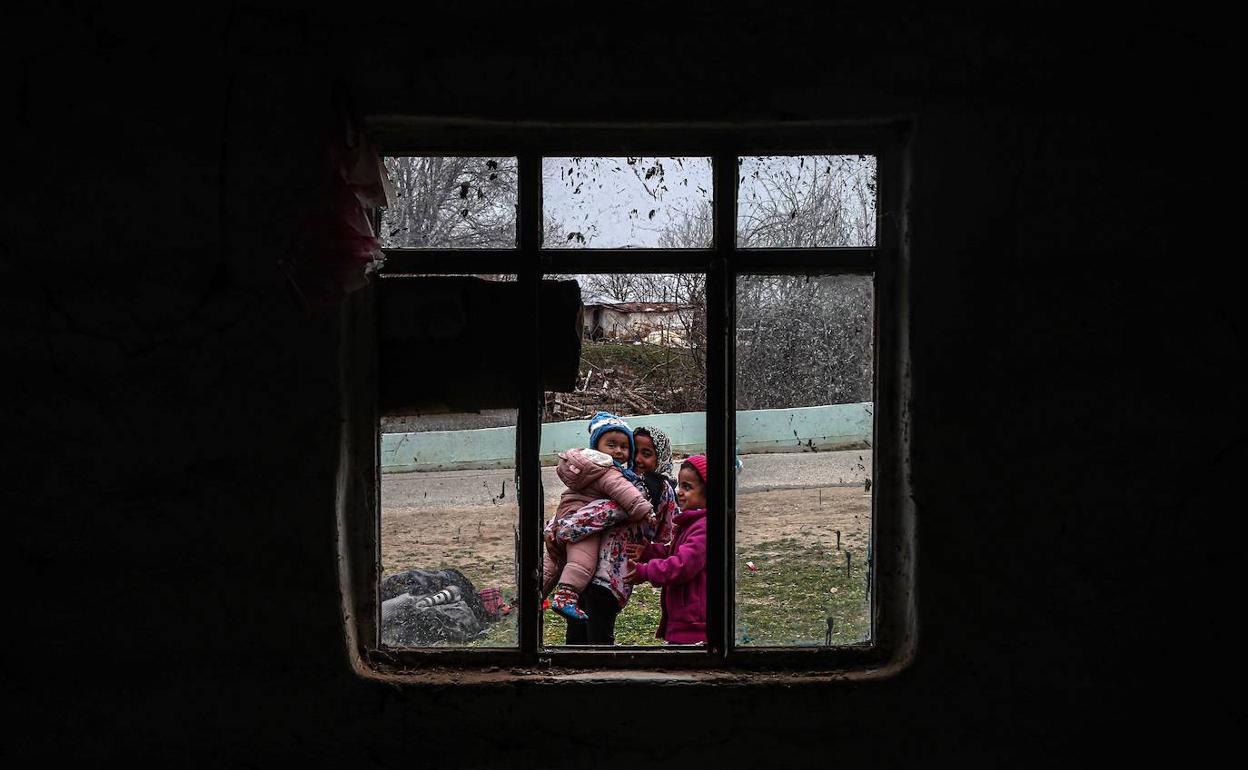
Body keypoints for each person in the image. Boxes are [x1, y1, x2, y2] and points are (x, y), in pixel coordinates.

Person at [542, 412, 654, 623]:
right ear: (596, 447)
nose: (619, 451)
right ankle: (566, 595)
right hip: (582, 527)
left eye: (624, 446)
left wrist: (554, 525)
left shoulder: (588, 468)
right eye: (611, 445)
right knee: (582, 561)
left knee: (552, 563)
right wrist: (645, 510)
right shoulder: (609, 471)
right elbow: (626, 495)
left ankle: (533, 597)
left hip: (566, 515)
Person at [626, 454, 709, 645]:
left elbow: (683, 564)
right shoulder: (691, 523)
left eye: (687, 487)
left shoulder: (703, 528)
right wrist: (648, 552)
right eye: (679, 485)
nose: (679, 491)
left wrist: (646, 571)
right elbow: (675, 552)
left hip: (694, 627)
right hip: (684, 621)